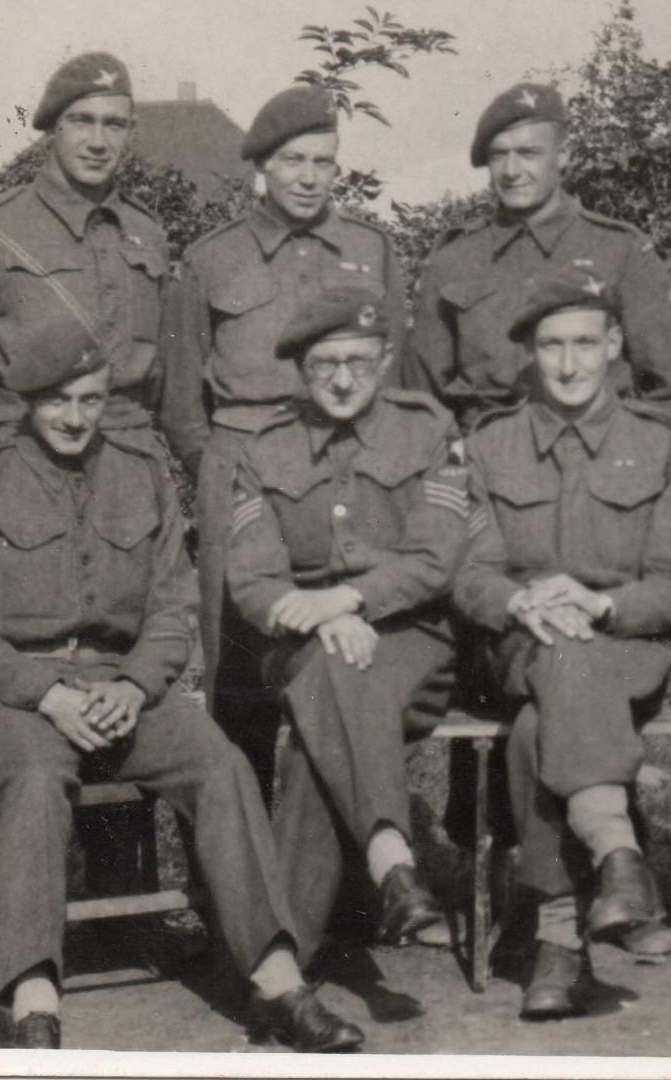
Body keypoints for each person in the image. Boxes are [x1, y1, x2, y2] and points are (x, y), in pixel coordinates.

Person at [0, 318, 363, 1052]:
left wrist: (132, 686)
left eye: (90, 400)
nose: (75, 417)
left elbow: (170, 610)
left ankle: (279, 983)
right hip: (14, 697)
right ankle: (33, 1001)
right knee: (33, 780)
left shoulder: (141, 469)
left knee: (218, 764)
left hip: (122, 686)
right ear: (27, 400)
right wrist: (46, 694)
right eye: (57, 401)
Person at [451, 267, 671, 1018]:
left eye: (585, 344)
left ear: (615, 345)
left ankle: (559, 938)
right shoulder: (490, 446)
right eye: (551, 345)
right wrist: (520, 599)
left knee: (538, 723)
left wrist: (598, 601)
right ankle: (616, 856)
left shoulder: (659, 444)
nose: (567, 364)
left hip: (624, 644)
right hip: (520, 642)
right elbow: (469, 575)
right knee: (555, 666)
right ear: (529, 352)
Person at [160, 82, 407, 785]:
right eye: (293, 161)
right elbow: (181, 400)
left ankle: (337, 878)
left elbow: (397, 378)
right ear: (260, 168)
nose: (308, 177)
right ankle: (240, 873)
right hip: (245, 480)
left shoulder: (370, 250)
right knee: (243, 680)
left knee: (344, 659)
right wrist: (225, 477)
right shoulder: (213, 259)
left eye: (323, 162)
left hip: (347, 478)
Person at [227, 290, 467, 962]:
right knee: (330, 676)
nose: (340, 380)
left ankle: (279, 964)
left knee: (316, 733)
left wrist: (349, 601)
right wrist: (316, 618)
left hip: (412, 640)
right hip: (298, 642)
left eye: (358, 363)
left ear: (387, 359)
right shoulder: (265, 448)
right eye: (323, 364)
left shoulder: (426, 431)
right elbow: (252, 578)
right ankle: (392, 860)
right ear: (301, 370)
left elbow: (436, 557)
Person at [0, 52, 170, 459]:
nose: (99, 143)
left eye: (114, 124)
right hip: (21, 454)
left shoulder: (147, 233)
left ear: (131, 132)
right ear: (53, 128)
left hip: (130, 461)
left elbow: (165, 373)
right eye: (81, 121)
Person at [408, 82, 671, 433]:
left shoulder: (619, 250)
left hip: (604, 460)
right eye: (499, 155)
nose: (511, 171)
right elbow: (421, 401)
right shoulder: (453, 260)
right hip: (487, 461)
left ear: (563, 155)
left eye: (528, 153)